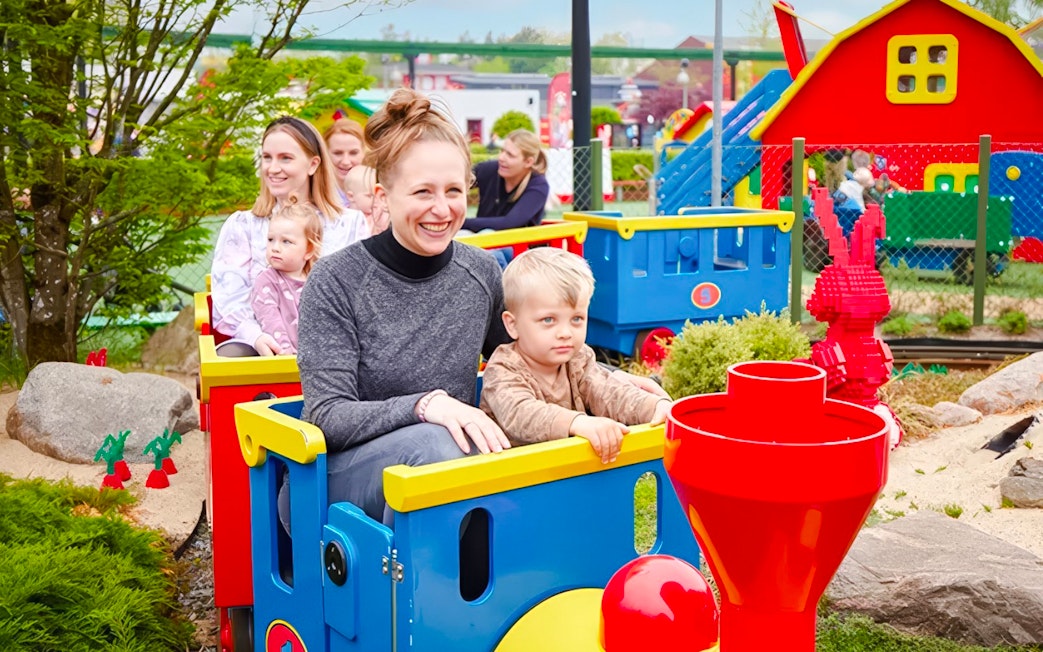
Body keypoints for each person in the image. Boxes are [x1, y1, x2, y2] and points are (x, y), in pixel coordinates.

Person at [295, 88, 668, 525]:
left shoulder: (480, 271)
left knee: (469, 451)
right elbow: (327, 414)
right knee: (440, 445)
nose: (441, 208)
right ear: (382, 198)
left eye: (454, 190)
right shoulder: (336, 280)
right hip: (345, 476)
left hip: (454, 466)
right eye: (422, 192)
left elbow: (530, 357)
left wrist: (620, 386)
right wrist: (425, 404)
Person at [480, 247, 672, 464]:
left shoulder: (578, 359)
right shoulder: (504, 368)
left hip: (565, 472)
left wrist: (654, 406)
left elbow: (609, 392)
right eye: (548, 320)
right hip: (512, 479)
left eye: (577, 319)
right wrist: (576, 422)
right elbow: (520, 413)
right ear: (512, 325)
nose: (565, 333)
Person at [210, 116, 368, 356]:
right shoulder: (244, 225)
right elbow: (229, 298)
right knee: (232, 358)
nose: (273, 168)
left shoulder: (349, 224)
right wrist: (257, 336)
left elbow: (360, 295)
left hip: (333, 345)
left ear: (313, 164)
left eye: (285, 158)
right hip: (260, 344)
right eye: (267, 158)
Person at [249, 199, 322, 356]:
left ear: (309, 249)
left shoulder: (317, 280)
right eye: (270, 240)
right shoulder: (267, 280)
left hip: (315, 361)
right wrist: (286, 353)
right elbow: (269, 319)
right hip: (282, 360)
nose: (275, 248)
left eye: (286, 242)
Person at [462, 129, 550, 233]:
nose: (501, 158)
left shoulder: (538, 186)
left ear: (528, 162)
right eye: (502, 151)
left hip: (518, 245)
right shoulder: (490, 170)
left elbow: (510, 223)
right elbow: (456, 181)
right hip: (483, 240)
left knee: (486, 233)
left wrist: (461, 223)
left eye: (510, 155)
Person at [323, 118, 366, 201]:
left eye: (353, 153)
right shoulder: (315, 195)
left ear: (363, 153)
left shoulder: (377, 192)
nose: (345, 161)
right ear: (325, 153)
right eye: (338, 153)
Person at [344, 164, 389, 235]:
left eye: (377, 195)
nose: (376, 200)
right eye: (370, 196)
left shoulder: (378, 214)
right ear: (351, 196)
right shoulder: (343, 218)